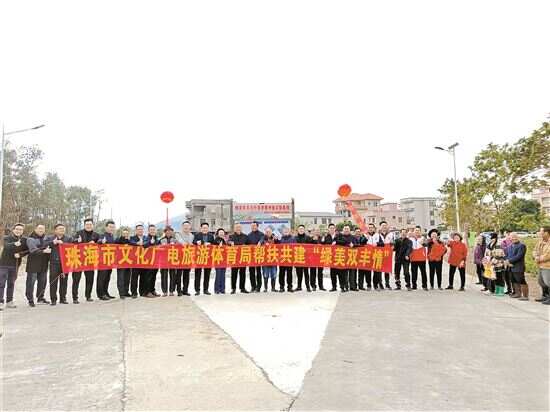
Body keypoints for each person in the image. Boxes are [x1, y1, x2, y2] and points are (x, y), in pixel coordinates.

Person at [0, 223, 28, 309]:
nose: (18, 231)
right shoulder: (6, 238)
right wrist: (14, 244)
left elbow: (28, 250)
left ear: (22, 231)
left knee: (11, 283)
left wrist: (20, 254)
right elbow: (6, 246)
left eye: (20, 229)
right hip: (3, 264)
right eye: (17, 229)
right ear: (13, 230)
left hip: (15, 265)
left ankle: (9, 301)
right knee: (1, 283)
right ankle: (0, 301)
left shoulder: (24, 240)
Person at [73, 218, 100, 302]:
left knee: (90, 279)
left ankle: (88, 296)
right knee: (76, 279)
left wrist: (96, 243)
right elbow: (72, 241)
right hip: (79, 260)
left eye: (90, 224)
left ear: (93, 225)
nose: (88, 226)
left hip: (90, 260)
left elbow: (100, 243)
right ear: (84, 225)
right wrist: (77, 240)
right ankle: (75, 297)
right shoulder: (79, 233)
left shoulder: (96, 235)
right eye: (87, 224)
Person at [25, 224, 51, 306]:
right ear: (35, 229)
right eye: (39, 228)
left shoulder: (46, 238)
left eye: (43, 229)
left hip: (44, 264)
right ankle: (30, 299)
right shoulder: (31, 239)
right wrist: (43, 251)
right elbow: (33, 250)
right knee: (31, 283)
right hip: (33, 264)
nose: (41, 230)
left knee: (42, 282)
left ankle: (40, 298)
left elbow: (51, 246)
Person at [47, 224, 73, 305]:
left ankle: (63, 298)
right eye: (60, 228)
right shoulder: (50, 238)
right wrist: (53, 243)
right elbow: (44, 245)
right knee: (53, 281)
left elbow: (73, 247)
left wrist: (64, 243)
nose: (62, 230)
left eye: (63, 228)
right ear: (55, 230)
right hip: (54, 263)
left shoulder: (68, 238)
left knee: (64, 281)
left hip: (65, 263)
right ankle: (53, 299)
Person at [96, 220, 116, 301]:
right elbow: (98, 241)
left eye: (113, 227)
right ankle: (101, 294)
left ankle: (106, 292)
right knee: (101, 278)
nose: (111, 228)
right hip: (102, 261)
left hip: (110, 261)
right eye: (110, 227)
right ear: (106, 227)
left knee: (107, 278)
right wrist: (101, 241)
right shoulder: (102, 235)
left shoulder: (112, 237)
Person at [193, 222, 214, 296]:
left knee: (207, 274)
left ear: (208, 228)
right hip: (199, 257)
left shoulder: (211, 236)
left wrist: (210, 244)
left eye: (206, 228)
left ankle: (206, 290)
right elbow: (194, 242)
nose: (205, 229)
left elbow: (214, 244)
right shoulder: (197, 235)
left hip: (208, 257)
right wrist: (197, 242)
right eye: (203, 228)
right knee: (197, 274)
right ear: (201, 228)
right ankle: (197, 290)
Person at [372, 221, 395, 290]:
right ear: (380, 227)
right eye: (382, 225)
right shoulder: (376, 235)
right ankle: (379, 283)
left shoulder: (391, 234)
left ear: (387, 226)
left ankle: (387, 284)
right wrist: (382, 244)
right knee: (378, 270)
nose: (384, 227)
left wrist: (392, 245)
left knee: (387, 270)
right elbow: (375, 244)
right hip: (379, 254)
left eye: (385, 225)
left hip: (387, 254)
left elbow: (393, 243)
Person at [506, 232, 529, 300]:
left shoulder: (521, 246)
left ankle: (525, 296)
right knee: (514, 280)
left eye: (514, 236)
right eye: (511, 237)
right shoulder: (510, 246)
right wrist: (507, 261)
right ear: (510, 238)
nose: (513, 238)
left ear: (517, 237)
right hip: (510, 267)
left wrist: (509, 261)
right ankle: (517, 294)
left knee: (521, 280)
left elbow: (519, 256)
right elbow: (507, 255)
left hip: (518, 267)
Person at [159, 226, 181, 296]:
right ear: (165, 232)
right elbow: (157, 249)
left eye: (170, 231)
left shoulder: (175, 240)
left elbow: (179, 247)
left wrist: (175, 245)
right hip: (163, 260)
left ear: (172, 232)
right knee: (164, 276)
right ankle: (164, 291)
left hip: (172, 260)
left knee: (173, 276)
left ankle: (171, 291)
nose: (168, 232)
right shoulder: (161, 240)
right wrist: (162, 247)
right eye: (167, 231)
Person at [334, 224, 356, 292]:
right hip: (342, 258)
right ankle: (344, 287)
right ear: (343, 230)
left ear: (350, 230)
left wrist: (354, 245)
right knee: (344, 274)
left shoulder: (353, 237)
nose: (346, 230)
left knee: (352, 274)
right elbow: (336, 243)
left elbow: (358, 245)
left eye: (347, 229)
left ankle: (352, 286)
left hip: (351, 257)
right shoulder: (339, 236)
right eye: (345, 229)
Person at [229, 223, 248, 294]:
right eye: (237, 227)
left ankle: (242, 288)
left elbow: (250, 245)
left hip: (243, 257)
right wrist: (230, 244)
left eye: (239, 227)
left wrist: (245, 246)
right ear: (234, 229)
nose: (238, 229)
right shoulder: (231, 236)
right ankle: (233, 288)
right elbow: (228, 244)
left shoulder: (245, 236)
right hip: (234, 258)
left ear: (241, 228)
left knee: (243, 274)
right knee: (234, 274)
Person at [176, 221, 194, 296]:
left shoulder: (192, 235)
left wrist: (189, 244)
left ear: (190, 227)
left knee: (187, 275)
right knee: (179, 275)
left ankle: (185, 290)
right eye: (185, 226)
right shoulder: (178, 234)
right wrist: (187, 243)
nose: (186, 227)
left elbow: (191, 243)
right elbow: (181, 242)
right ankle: (179, 290)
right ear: (182, 227)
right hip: (179, 257)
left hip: (188, 257)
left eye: (188, 226)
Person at [129, 224, 146, 298]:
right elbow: (130, 242)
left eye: (141, 229)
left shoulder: (145, 238)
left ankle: (142, 292)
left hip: (144, 261)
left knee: (143, 277)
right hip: (135, 261)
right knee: (134, 278)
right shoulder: (132, 238)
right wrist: (137, 243)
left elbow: (148, 244)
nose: (140, 230)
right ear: (136, 230)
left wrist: (144, 244)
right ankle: (134, 293)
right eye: (138, 229)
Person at [533, 226, 550, 304]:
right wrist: (535, 256)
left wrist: (538, 258)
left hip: (548, 266)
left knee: (548, 282)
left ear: (546, 233)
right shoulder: (540, 242)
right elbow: (535, 250)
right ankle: (545, 296)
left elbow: (548, 255)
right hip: (540, 265)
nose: (540, 233)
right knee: (541, 282)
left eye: (541, 232)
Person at [247, 222, 264, 293]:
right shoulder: (249, 235)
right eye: (252, 226)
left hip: (258, 255)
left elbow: (262, 239)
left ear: (257, 226)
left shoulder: (261, 234)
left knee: (258, 272)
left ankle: (258, 287)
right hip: (251, 256)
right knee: (251, 272)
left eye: (254, 226)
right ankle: (253, 286)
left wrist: (260, 242)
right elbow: (246, 243)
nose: (253, 227)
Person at [144, 224, 160, 297]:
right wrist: (150, 242)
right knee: (148, 277)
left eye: (154, 230)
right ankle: (147, 292)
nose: (152, 231)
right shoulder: (146, 238)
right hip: (148, 261)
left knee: (154, 276)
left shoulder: (157, 239)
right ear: (148, 231)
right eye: (151, 230)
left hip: (156, 261)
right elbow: (144, 246)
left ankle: (152, 290)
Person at [410, 226, 428, 290]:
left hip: (421, 258)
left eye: (418, 230)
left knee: (423, 272)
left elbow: (426, 245)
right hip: (413, 258)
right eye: (416, 230)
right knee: (414, 273)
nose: (417, 231)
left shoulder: (423, 238)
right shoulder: (410, 239)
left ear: (420, 232)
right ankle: (414, 285)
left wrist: (423, 243)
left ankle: (424, 285)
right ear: (413, 231)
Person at [115, 228, 132, 299]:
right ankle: (121, 293)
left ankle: (126, 292)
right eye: (124, 233)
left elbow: (134, 245)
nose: (125, 235)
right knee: (121, 278)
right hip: (120, 262)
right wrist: (123, 240)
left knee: (127, 278)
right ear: (121, 234)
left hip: (128, 262)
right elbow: (116, 243)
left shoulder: (130, 241)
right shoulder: (118, 240)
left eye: (127, 234)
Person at [295, 225, 312, 292]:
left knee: (306, 273)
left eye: (302, 229)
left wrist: (314, 239)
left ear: (304, 230)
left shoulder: (307, 237)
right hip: (298, 258)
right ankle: (299, 287)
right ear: (298, 230)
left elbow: (312, 245)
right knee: (299, 274)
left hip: (306, 258)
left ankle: (308, 287)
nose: (301, 230)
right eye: (300, 229)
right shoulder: (295, 238)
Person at [278, 226, 295, 293]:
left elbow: (295, 247)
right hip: (282, 259)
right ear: (282, 232)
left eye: (287, 231)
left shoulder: (293, 239)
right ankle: (281, 287)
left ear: (289, 232)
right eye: (284, 231)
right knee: (281, 274)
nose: (286, 232)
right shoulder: (280, 239)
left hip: (289, 259)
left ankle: (289, 287)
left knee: (289, 274)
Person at [261, 227, 278, 292]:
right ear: (265, 233)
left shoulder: (275, 238)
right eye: (267, 232)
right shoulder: (263, 239)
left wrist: (277, 240)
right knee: (265, 274)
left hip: (273, 259)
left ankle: (273, 288)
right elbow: (260, 244)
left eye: (269, 232)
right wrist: (260, 242)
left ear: (271, 232)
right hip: (265, 260)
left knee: (274, 274)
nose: (268, 233)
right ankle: (265, 288)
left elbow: (280, 245)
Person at [323, 224, 339, 292]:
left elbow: (343, 242)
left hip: (338, 256)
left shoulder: (339, 235)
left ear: (335, 229)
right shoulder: (326, 237)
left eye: (333, 228)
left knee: (341, 273)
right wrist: (323, 241)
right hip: (331, 257)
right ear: (328, 229)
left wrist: (337, 242)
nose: (332, 229)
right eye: (330, 228)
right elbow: (324, 245)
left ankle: (342, 286)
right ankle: (334, 287)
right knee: (333, 273)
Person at [213, 228, 227, 294]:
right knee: (218, 274)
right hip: (218, 259)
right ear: (218, 233)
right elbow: (213, 248)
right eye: (220, 232)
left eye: (222, 232)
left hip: (224, 260)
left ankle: (222, 289)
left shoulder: (225, 240)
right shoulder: (216, 240)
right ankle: (217, 289)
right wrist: (219, 247)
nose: (221, 233)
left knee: (223, 275)